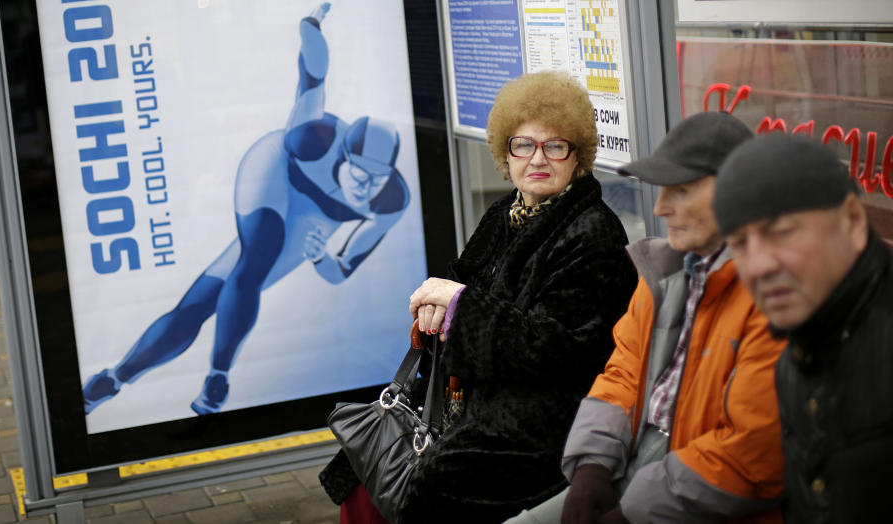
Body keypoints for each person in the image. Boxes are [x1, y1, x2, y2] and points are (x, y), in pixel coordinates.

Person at [321, 71, 637, 522]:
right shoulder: (506, 211)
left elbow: (556, 349)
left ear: (578, 154)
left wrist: (458, 304)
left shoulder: (593, 233)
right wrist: (439, 306)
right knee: (360, 461)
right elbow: (464, 280)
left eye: (556, 145)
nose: (538, 159)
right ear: (506, 153)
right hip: (476, 395)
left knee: (432, 480)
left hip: (544, 419)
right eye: (523, 145)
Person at [81, 3, 410, 415]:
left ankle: (112, 379)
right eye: (358, 176)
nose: (366, 189)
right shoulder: (312, 136)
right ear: (341, 155)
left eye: (376, 181)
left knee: (206, 300)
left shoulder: (391, 200)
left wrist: (321, 257)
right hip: (275, 172)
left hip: (315, 217)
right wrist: (309, 27)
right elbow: (313, 73)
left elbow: (341, 269)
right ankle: (218, 377)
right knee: (255, 258)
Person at [507, 111, 786, 524]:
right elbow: (622, 374)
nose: (660, 206)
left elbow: (753, 454)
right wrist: (591, 468)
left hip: (697, 501)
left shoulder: (774, 297)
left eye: (682, 191)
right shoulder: (664, 273)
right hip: (634, 470)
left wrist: (632, 513)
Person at [714, 134, 892, 524]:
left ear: (853, 221)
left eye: (782, 231)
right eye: (739, 243)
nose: (758, 265)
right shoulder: (793, 364)